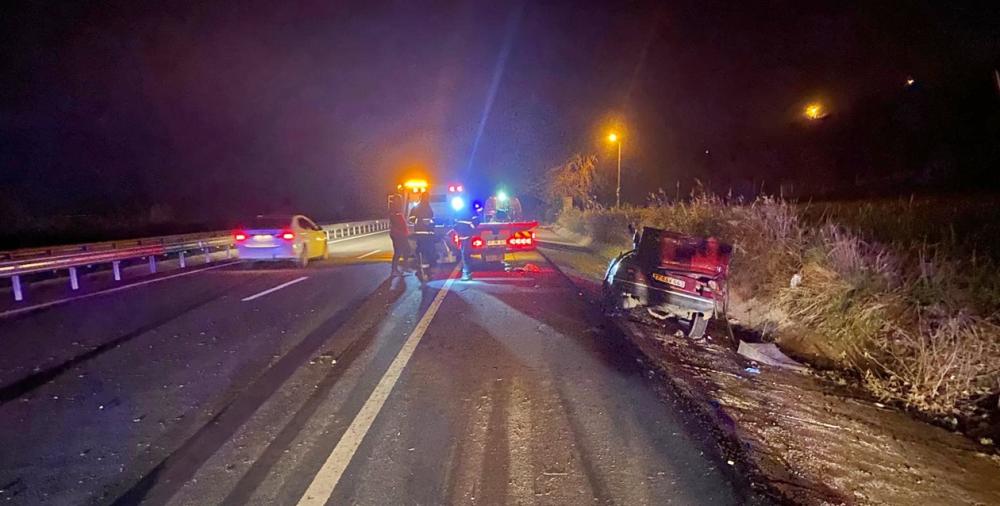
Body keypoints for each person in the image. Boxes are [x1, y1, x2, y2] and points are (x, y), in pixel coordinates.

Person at [388, 194, 410, 276]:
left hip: (400, 234)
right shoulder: (394, 211)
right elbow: (396, 223)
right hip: (398, 234)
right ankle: (394, 270)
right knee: (399, 252)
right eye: (399, 200)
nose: (400, 202)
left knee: (406, 250)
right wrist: (402, 232)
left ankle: (402, 268)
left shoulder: (397, 210)